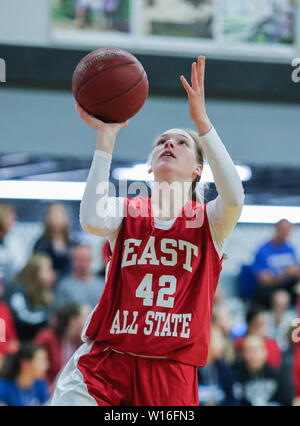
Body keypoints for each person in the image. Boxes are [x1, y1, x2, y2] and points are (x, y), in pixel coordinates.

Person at [50, 56, 244, 406]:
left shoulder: (210, 221)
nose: (169, 144)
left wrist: (202, 124)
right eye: (162, 143)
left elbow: (234, 196)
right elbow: (92, 218)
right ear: (151, 167)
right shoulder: (128, 211)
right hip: (106, 363)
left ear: (198, 170)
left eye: (181, 143)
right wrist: (106, 138)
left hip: (170, 374)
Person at [35, 303, 90, 390]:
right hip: (47, 390)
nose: (84, 323)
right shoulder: (46, 338)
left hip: (68, 389)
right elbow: (35, 366)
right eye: (82, 318)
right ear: (73, 320)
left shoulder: (79, 340)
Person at [4, 254, 56, 341]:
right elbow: (23, 316)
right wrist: (47, 317)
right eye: (47, 270)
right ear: (35, 273)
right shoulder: (16, 290)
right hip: (16, 340)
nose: (52, 274)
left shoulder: (44, 291)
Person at [252, 219, 300, 308]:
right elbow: (263, 279)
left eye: (288, 231)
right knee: (281, 298)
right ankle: (277, 322)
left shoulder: (290, 249)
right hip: (270, 290)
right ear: (276, 229)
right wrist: (284, 274)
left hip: (289, 287)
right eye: (283, 230)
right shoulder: (263, 250)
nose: (285, 234)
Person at [235, 335, 293, 406]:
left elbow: (287, 400)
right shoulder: (235, 375)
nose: (253, 354)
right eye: (248, 350)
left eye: (256, 350)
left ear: (264, 351)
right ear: (243, 353)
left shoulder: (276, 374)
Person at [33, 202, 77, 281]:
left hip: (70, 284)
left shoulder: (72, 244)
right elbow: (36, 267)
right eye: (52, 215)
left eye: (58, 215)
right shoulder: (41, 244)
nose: (55, 219)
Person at [198, 325, 239, 406]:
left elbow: (233, 399)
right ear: (207, 340)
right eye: (220, 338)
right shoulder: (191, 368)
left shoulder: (224, 368)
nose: (224, 343)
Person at [55, 244, 105, 309]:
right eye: (80, 260)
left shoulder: (102, 284)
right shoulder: (64, 287)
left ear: (91, 259)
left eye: (86, 259)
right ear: (72, 261)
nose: (83, 264)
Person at [0, 203, 27, 286]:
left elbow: (19, 267)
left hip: (10, 285)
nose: (14, 219)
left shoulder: (14, 241)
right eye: (11, 216)